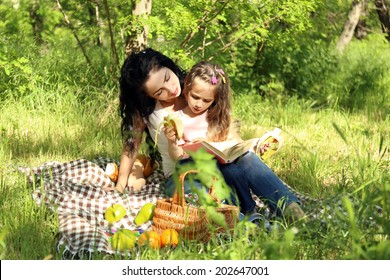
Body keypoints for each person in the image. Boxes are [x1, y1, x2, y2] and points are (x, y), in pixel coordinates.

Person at [117, 48, 304, 221]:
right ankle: (239, 221)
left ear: (168, 65)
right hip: (182, 173)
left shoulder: (197, 86)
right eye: (159, 92)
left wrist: (248, 147)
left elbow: (225, 129)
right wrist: (120, 185)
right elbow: (131, 147)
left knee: (248, 160)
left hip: (218, 164)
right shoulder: (146, 111)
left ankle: (291, 209)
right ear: (149, 96)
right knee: (196, 194)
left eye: (167, 78)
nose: (171, 89)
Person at [162, 61, 305, 221]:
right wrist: (172, 141)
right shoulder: (178, 118)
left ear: (215, 99)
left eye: (206, 100)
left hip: (225, 172)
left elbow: (236, 146)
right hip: (195, 173)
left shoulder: (216, 117)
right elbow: (178, 158)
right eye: (195, 97)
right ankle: (243, 217)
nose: (198, 104)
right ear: (187, 88)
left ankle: (290, 209)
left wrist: (257, 145)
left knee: (248, 159)